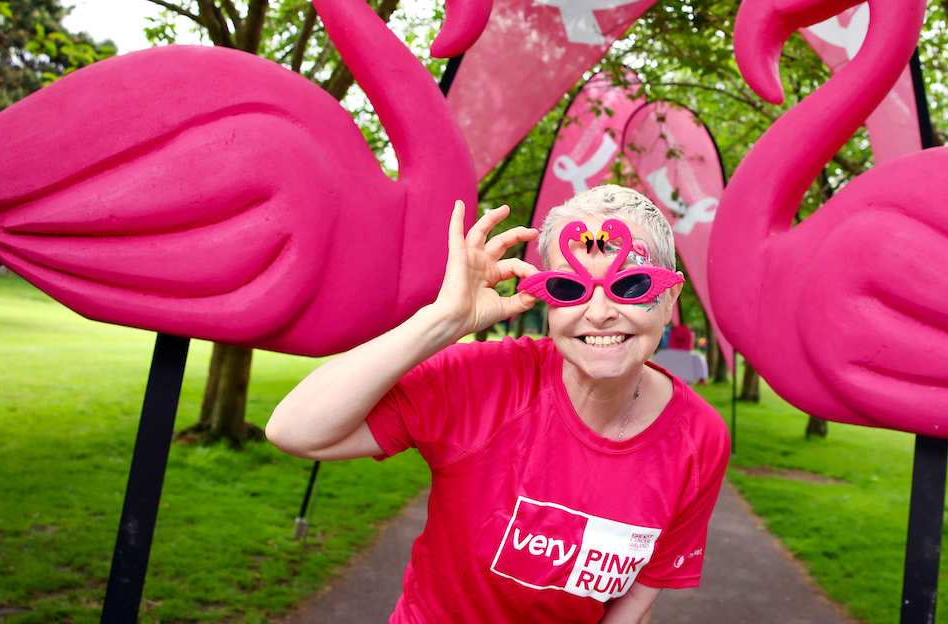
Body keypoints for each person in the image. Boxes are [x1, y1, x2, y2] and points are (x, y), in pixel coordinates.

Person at [266, 185, 730, 624]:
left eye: (631, 286)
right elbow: (294, 430)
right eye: (570, 289)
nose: (600, 311)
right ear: (544, 298)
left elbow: (637, 596)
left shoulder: (700, 439)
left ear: (670, 297)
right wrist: (443, 320)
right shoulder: (485, 381)